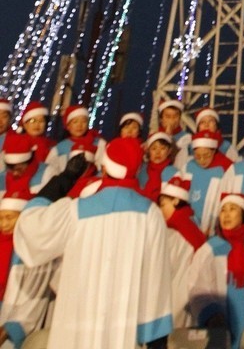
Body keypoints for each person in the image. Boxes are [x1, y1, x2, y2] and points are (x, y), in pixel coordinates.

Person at [13, 136, 173, 348]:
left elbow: (32, 225)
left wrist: (64, 179)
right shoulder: (149, 213)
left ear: (105, 169)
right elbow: (156, 278)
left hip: (75, 328)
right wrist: (154, 338)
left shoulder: (77, 210)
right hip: (120, 331)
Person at [187, 190, 244, 349]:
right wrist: (212, 313)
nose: (226, 215)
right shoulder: (210, 248)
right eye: (223, 210)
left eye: (232, 209)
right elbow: (197, 285)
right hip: (221, 325)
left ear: (243, 214)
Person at [0, 190, 55, 347]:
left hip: (13, 326)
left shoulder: (32, 251)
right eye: (0, 218)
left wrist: (8, 330)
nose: (4, 224)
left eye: (9, 218)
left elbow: (34, 298)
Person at [157, 175, 207, 328]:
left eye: (163, 205)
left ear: (176, 201)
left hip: (177, 289)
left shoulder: (177, 230)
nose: (160, 210)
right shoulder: (190, 222)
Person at [184, 130, 231, 235]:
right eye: (197, 156)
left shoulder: (225, 169)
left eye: (206, 155)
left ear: (214, 151)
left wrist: (213, 225)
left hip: (213, 226)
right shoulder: (188, 167)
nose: (202, 160)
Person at [138, 131, 178, 201]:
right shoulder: (141, 171)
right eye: (154, 148)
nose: (158, 152)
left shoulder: (174, 173)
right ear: (148, 151)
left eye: (162, 148)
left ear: (169, 151)